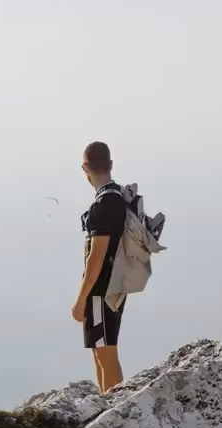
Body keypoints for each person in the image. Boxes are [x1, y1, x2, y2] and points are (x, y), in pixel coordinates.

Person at [72, 141, 127, 394]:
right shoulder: (119, 197)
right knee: (100, 351)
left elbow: (96, 258)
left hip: (101, 288)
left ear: (85, 168)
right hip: (116, 282)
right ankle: (106, 402)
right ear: (111, 165)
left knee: (105, 353)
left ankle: (115, 411)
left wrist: (80, 300)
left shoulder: (102, 206)